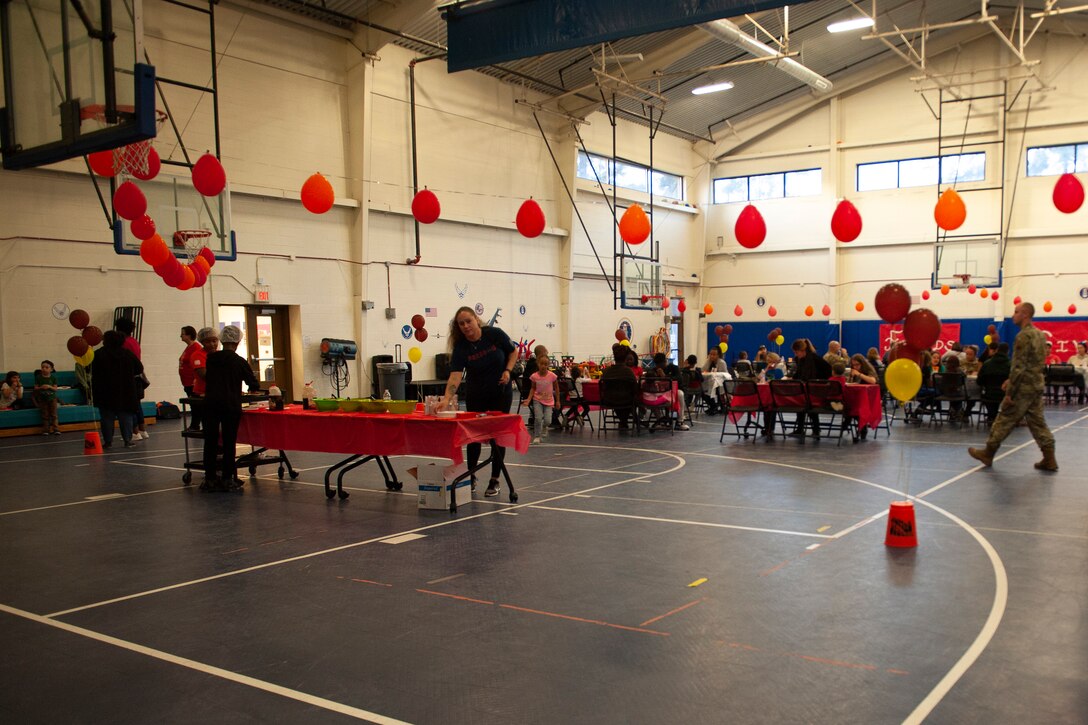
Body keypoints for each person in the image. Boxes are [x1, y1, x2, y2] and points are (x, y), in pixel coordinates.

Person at [439, 306, 518, 497]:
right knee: (472, 437)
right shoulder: (461, 348)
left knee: (497, 438)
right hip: (476, 395)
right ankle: (471, 476)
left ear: (476, 319)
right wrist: (447, 399)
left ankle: (495, 480)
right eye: (461, 323)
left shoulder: (494, 335)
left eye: (468, 321)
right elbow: (456, 376)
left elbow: (513, 352)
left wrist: (507, 370)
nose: (466, 326)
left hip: (500, 393)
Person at [969, 302, 1058, 471]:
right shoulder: (1040, 335)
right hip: (1036, 385)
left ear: (1025, 314)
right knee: (1038, 422)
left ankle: (988, 452)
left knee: (1004, 419)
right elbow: (1034, 363)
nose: (1013, 315)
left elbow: (1019, 366)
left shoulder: (1023, 336)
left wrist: (1010, 391)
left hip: (1023, 388)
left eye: (1016, 312)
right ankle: (1049, 457)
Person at [201, 325, 260, 491]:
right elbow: (252, 383)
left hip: (210, 404)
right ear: (238, 341)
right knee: (228, 442)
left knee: (210, 442)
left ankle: (210, 479)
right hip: (229, 405)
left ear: (221, 340)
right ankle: (227, 478)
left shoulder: (211, 359)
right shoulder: (239, 361)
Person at [91, 330, 143, 449]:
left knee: (106, 418)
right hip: (126, 391)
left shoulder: (98, 354)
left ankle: (108, 442)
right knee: (125, 417)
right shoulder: (128, 354)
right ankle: (127, 440)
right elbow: (139, 368)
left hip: (105, 391)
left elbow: (90, 369)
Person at [115, 317, 149, 440]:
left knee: (129, 406)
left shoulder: (123, 342)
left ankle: (135, 432)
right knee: (137, 404)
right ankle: (142, 430)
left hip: (129, 377)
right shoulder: (134, 341)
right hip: (137, 377)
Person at [790, 338, 832, 437]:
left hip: (816, 389)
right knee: (801, 402)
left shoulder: (815, 359)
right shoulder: (801, 360)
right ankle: (802, 429)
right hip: (807, 388)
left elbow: (828, 370)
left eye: (796, 352)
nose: (796, 354)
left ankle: (815, 429)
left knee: (809, 404)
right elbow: (799, 374)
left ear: (803, 350)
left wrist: (818, 381)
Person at [600, 343, 637, 430]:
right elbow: (635, 389)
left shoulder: (606, 371)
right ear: (625, 359)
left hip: (609, 400)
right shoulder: (629, 372)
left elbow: (603, 387)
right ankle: (624, 421)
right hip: (626, 400)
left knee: (617, 397)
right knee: (630, 399)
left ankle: (623, 421)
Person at [526, 352, 558, 444]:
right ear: (538, 364)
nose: (543, 366)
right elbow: (532, 388)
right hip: (537, 400)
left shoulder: (552, 376)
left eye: (545, 364)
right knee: (538, 418)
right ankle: (536, 436)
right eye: (541, 364)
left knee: (548, 420)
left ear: (548, 365)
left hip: (549, 401)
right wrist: (528, 399)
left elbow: (556, 388)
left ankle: (545, 427)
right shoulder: (534, 376)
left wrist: (558, 401)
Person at [190, 327, 219, 429]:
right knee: (209, 423)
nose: (212, 344)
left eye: (214, 341)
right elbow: (205, 376)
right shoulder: (197, 355)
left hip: (218, 393)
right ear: (202, 342)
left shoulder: (220, 354)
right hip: (203, 392)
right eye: (208, 342)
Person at [977, 342, 1011, 424]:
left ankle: (991, 415)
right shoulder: (1010, 365)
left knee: (989, 397)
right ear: (1008, 352)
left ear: (997, 350)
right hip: (1005, 394)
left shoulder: (987, 363)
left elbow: (979, 381)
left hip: (989, 394)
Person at [178, 325, 203, 431]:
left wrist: (195, 380)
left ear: (189, 335)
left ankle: (195, 425)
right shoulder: (188, 347)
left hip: (192, 382)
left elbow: (197, 364)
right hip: (186, 381)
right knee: (193, 404)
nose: (180, 336)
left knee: (195, 405)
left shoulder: (196, 347)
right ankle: (194, 425)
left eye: (182, 334)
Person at [32, 360, 61, 435]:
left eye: (46, 367)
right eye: (42, 367)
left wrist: (49, 386)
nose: (44, 369)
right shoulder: (38, 377)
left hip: (52, 398)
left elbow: (55, 389)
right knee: (45, 415)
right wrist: (41, 387)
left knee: (54, 414)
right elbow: (35, 388)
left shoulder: (53, 378)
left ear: (51, 369)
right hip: (43, 399)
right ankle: (46, 430)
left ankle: (56, 429)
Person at [701, 347, 728, 414]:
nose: (712, 356)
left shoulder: (722, 363)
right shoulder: (709, 361)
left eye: (714, 354)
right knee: (702, 391)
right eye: (710, 354)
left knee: (715, 389)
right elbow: (703, 370)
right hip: (710, 382)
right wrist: (708, 361)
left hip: (721, 383)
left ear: (718, 355)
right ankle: (713, 406)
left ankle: (717, 406)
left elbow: (724, 375)